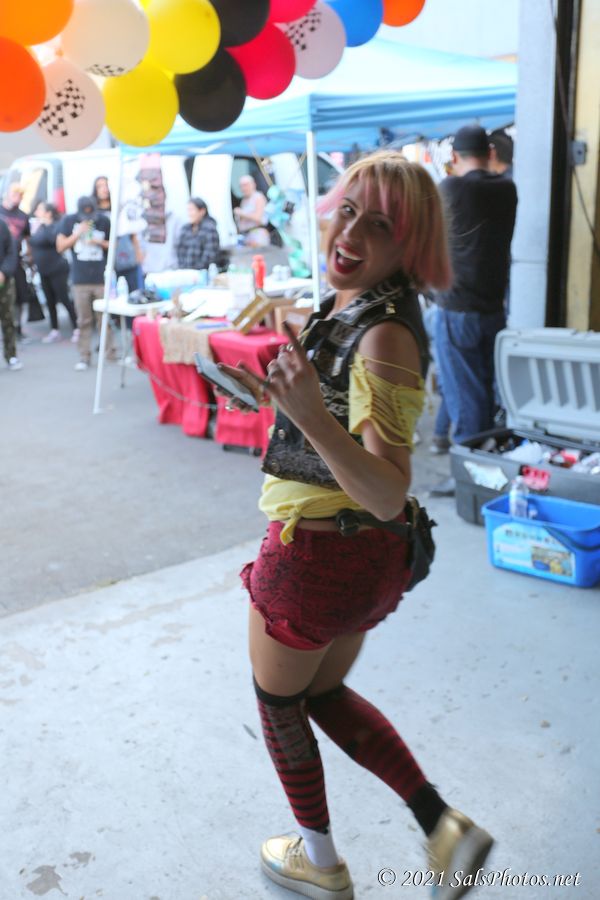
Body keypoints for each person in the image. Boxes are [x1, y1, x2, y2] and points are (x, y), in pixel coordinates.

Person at [218, 150, 494, 900]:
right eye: (347, 211)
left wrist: (307, 414)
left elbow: (385, 487)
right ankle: (443, 826)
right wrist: (277, 399)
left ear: (411, 245)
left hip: (318, 558)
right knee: (322, 693)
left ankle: (321, 863)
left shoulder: (384, 333)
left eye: (380, 226)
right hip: (359, 563)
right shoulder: (354, 304)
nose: (351, 234)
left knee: (279, 707)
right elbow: (337, 418)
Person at [433, 125, 517, 452]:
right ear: (491, 153)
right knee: (483, 395)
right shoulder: (507, 189)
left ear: (454, 157)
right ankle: (481, 460)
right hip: (494, 311)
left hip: (457, 313)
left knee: (465, 401)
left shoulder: (451, 188)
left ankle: (469, 467)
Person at [57, 195, 116, 371]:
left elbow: (114, 245)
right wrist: (77, 233)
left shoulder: (103, 221)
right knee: (84, 320)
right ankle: (84, 356)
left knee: (104, 319)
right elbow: (60, 246)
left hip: (101, 278)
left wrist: (98, 241)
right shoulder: (69, 221)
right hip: (80, 280)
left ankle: (110, 353)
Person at [30, 202, 78, 343]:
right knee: (49, 301)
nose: (36, 212)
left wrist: (44, 225)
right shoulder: (39, 227)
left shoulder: (56, 226)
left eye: (40, 209)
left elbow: (54, 241)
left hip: (57, 269)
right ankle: (54, 330)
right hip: (43, 270)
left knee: (64, 299)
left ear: (48, 213)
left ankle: (77, 328)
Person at [92, 175, 145, 293]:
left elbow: (132, 231)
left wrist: (138, 252)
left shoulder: (120, 207)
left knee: (134, 290)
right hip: (106, 260)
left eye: (106, 185)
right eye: (100, 186)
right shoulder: (94, 213)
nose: (104, 189)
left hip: (126, 254)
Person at [0, 184, 31, 339]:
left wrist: (30, 257)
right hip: (2, 255)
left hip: (14, 259)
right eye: (14, 194)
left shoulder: (23, 216)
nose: (17, 198)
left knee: (19, 295)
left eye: (20, 195)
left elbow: (27, 238)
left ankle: (17, 328)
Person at [175, 197, 221, 271]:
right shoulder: (185, 228)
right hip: (184, 272)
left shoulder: (210, 229)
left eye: (192, 210)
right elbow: (179, 251)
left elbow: (210, 255)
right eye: (188, 210)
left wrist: (197, 270)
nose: (189, 214)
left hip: (202, 273)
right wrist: (184, 269)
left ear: (202, 211)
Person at [0, 216, 22, 370]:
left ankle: (11, 355)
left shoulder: (2, 225)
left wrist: (4, 272)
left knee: (8, 319)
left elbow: (11, 251)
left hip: (4, 280)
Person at [233, 175, 270, 247]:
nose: (243, 188)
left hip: (257, 234)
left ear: (253, 184)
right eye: (241, 186)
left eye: (245, 185)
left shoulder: (258, 197)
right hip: (247, 235)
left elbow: (258, 218)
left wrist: (241, 213)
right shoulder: (244, 200)